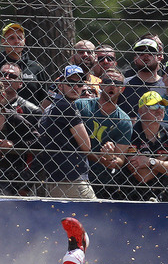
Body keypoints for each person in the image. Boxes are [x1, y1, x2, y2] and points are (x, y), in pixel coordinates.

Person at [73, 67, 132, 199]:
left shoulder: (124, 121)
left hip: (102, 180)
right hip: (74, 172)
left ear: (122, 89)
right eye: (108, 81)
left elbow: (119, 161)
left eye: (117, 84)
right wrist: (100, 158)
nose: (112, 85)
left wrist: (110, 158)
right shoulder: (81, 106)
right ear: (100, 85)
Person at [37, 65, 95, 199]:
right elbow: (86, 146)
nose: (75, 87)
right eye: (70, 83)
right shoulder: (66, 107)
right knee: (92, 216)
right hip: (72, 179)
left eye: (79, 84)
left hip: (56, 177)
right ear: (60, 85)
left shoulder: (51, 107)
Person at [110, 91, 168, 201]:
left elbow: (147, 168)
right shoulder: (131, 133)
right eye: (153, 106)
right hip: (133, 196)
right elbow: (143, 176)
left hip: (164, 194)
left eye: (162, 106)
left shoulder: (167, 131)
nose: (159, 109)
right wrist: (163, 161)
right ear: (140, 111)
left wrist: (151, 162)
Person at [0, 23, 48, 104]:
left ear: (24, 41)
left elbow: (44, 99)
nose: (16, 41)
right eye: (11, 38)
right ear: (3, 41)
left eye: (19, 38)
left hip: (30, 115)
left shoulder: (36, 68)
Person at [119, 38, 166, 120]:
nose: (146, 55)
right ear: (135, 59)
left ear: (159, 58)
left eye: (151, 51)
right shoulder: (123, 85)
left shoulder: (166, 86)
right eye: (141, 52)